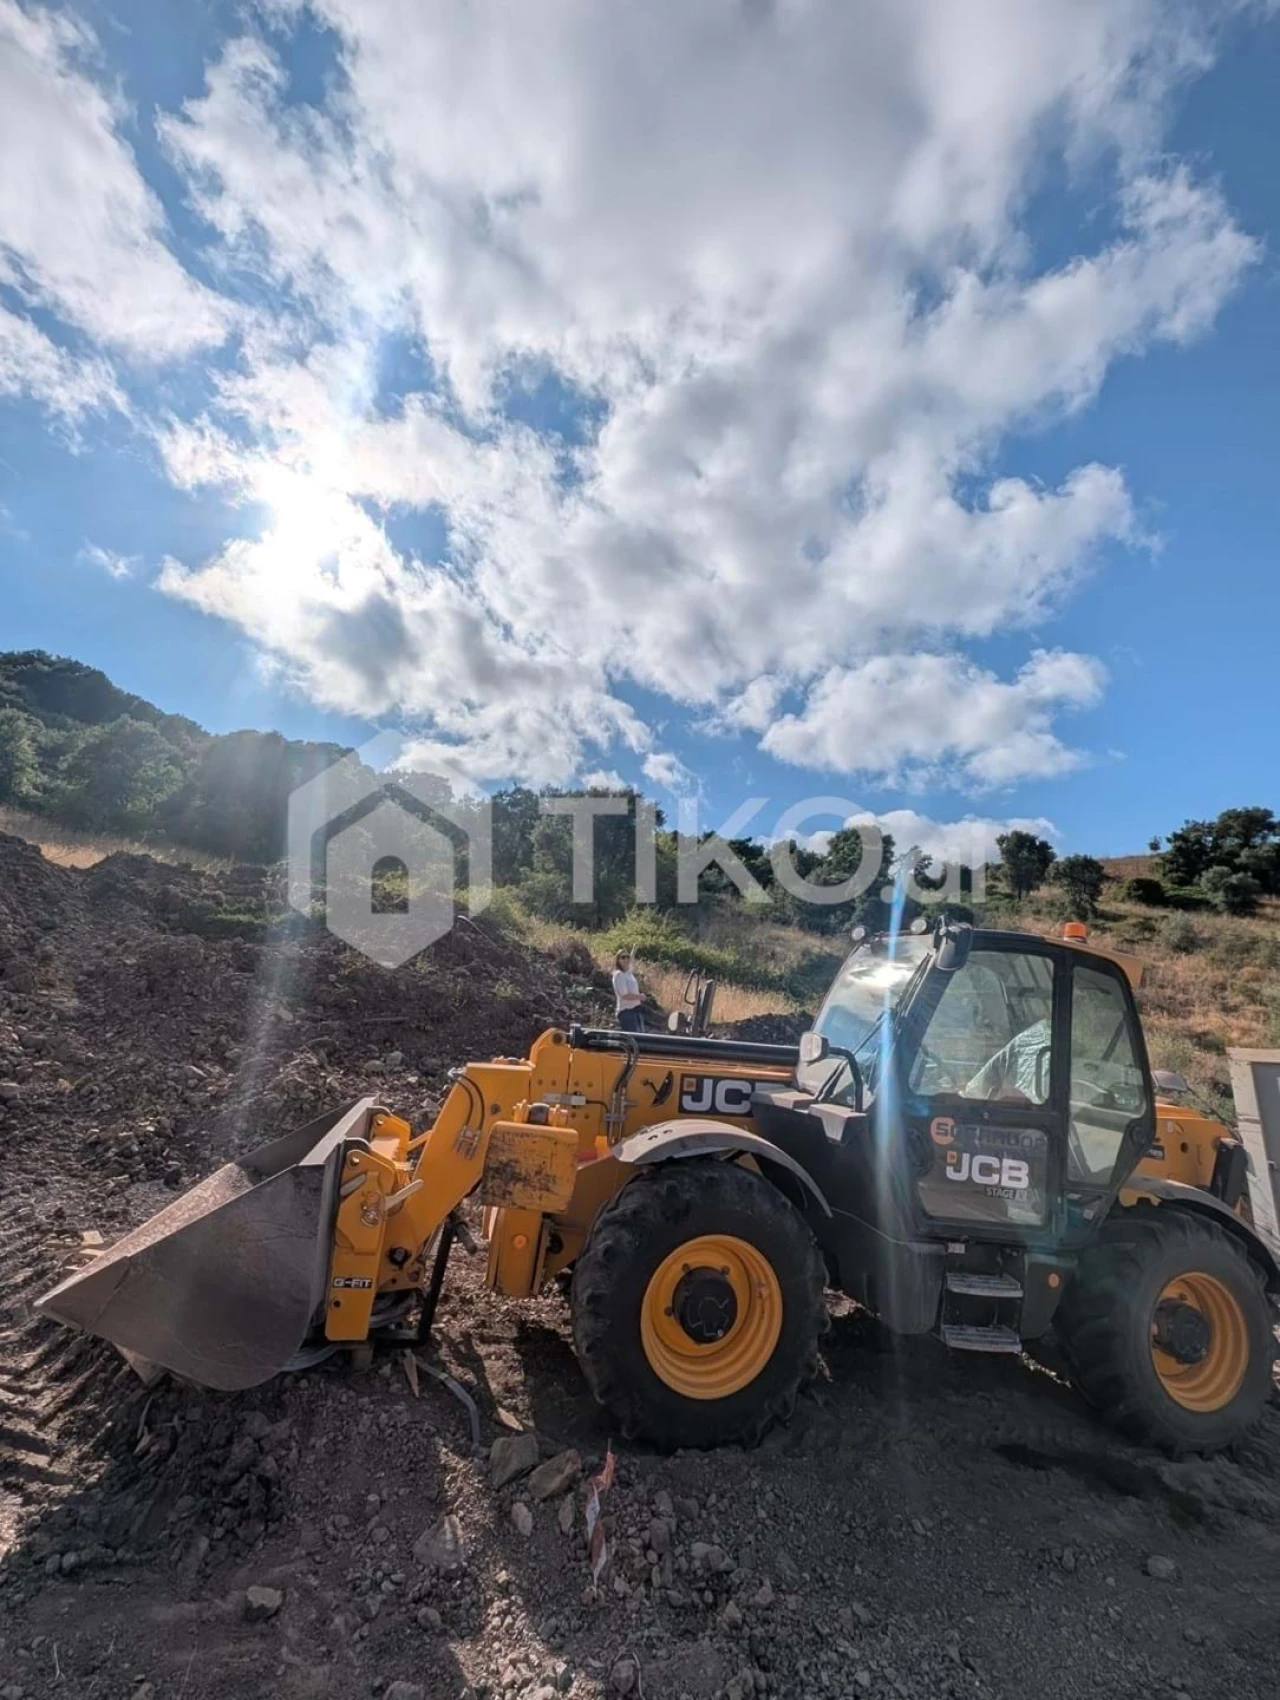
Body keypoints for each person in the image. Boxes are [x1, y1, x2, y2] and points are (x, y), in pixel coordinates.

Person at [612, 948, 644, 1033]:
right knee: (635, 1039)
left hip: (635, 1010)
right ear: (618, 960)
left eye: (627, 957)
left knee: (641, 1037)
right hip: (626, 1012)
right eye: (623, 957)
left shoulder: (628, 973)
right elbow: (624, 995)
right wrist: (640, 996)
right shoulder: (619, 975)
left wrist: (633, 951)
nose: (626, 959)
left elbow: (631, 962)